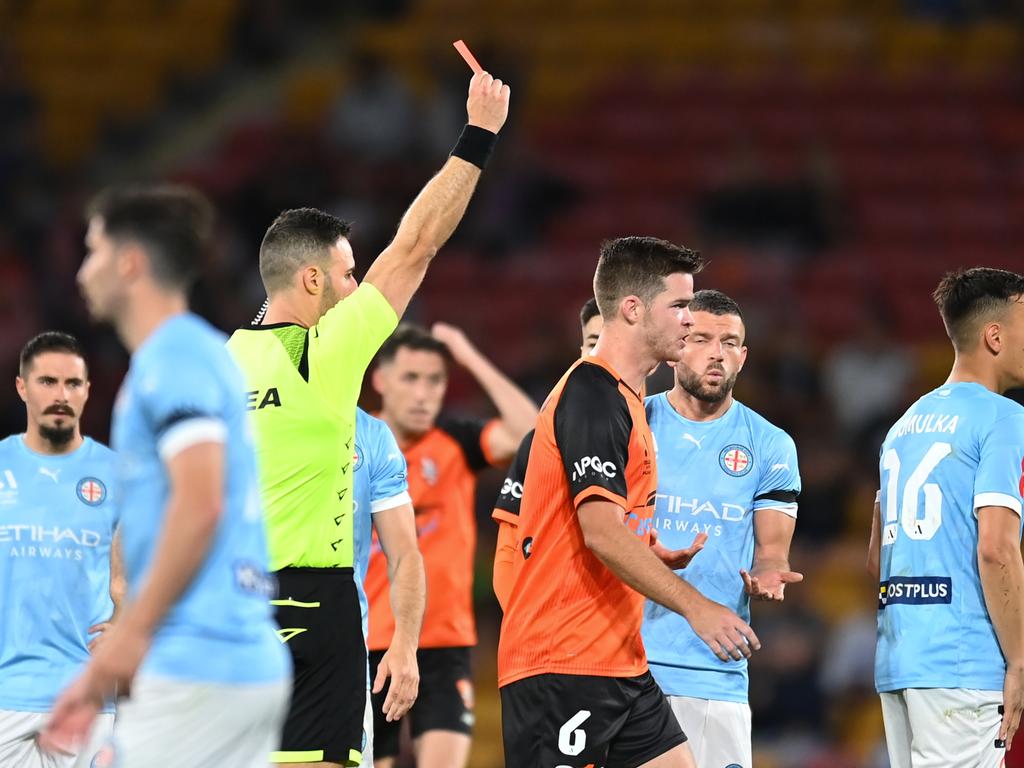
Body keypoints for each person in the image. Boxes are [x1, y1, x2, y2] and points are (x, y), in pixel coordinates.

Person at [225, 71, 510, 768]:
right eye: (348, 275)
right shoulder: (321, 352)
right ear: (313, 280)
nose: (357, 289)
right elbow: (415, 246)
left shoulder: (218, 362)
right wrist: (479, 135)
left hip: (226, 608)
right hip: (315, 607)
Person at [41, 185, 291, 767]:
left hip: (199, 659)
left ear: (129, 263)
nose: (83, 271)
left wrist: (120, 648)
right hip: (228, 659)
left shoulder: (173, 359)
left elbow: (200, 503)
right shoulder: (196, 354)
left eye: (93, 250)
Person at [498, 236, 760, 768]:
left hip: (620, 661)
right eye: (680, 306)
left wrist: (646, 547)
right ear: (634, 309)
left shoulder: (627, 400)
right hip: (563, 662)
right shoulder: (593, 394)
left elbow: (608, 527)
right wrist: (696, 607)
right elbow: (598, 532)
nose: (690, 320)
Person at [868, 267, 1024, 768]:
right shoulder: (1005, 419)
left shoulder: (903, 425)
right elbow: (996, 547)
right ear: (994, 336)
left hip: (900, 662)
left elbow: (878, 559)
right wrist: (1019, 660)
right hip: (964, 662)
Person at [641, 289, 803, 768]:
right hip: (624, 664)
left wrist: (770, 573)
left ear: (744, 355)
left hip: (711, 669)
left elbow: (773, 552)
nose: (717, 353)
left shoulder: (771, 445)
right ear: (675, 346)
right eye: (702, 338)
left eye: (730, 342)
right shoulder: (634, 422)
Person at [364, 322, 536, 768]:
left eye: (435, 380)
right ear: (380, 381)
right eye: (411, 378)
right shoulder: (354, 445)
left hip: (442, 645)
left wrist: (469, 356)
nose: (424, 394)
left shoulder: (456, 443)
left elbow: (531, 434)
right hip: (366, 644)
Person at [0, 332, 122, 768]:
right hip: (6, 697)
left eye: (72, 384)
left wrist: (127, 625)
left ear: (88, 391)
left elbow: (148, 573)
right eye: (47, 381)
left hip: (88, 701)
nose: (60, 395)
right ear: (21, 387)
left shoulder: (118, 477)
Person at [492, 297, 603, 609]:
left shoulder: (663, 432)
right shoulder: (541, 440)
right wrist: (519, 618)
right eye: (593, 343)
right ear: (580, 351)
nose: (600, 356)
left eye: (611, 344)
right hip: (560, 629)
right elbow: (508, 550)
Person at [352, 407, 425, 765]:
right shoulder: (242, 410)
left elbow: (405, 555)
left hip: (341, 653)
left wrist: (406, 643)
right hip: (239, 641)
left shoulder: (371, 436)